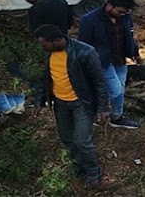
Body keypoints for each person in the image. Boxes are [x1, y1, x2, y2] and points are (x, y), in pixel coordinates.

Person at [33, 24, 110, 189]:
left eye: (45, 44)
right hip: (60, 104)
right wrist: (38, 101)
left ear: (57, 40)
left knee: (82, 140)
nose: (42, 48)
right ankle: (79, 165)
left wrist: (103, 108)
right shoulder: (49, 54)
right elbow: (44, 79)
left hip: (81, 104)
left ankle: (93, 170)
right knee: (67, 139)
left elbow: (99, 82)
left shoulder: (85, 52)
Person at [78, 0, 141, 129]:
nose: (122, 15)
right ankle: (106, 114)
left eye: (125, 13)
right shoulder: (89, 20)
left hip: (120, 58)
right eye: (119, 12)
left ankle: (112, 116)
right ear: (109, 6)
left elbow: (129, 36)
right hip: (101, 61)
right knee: (115, 90)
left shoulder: (124, 17)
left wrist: (135, 52)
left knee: (120, 88)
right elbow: (83, 44)